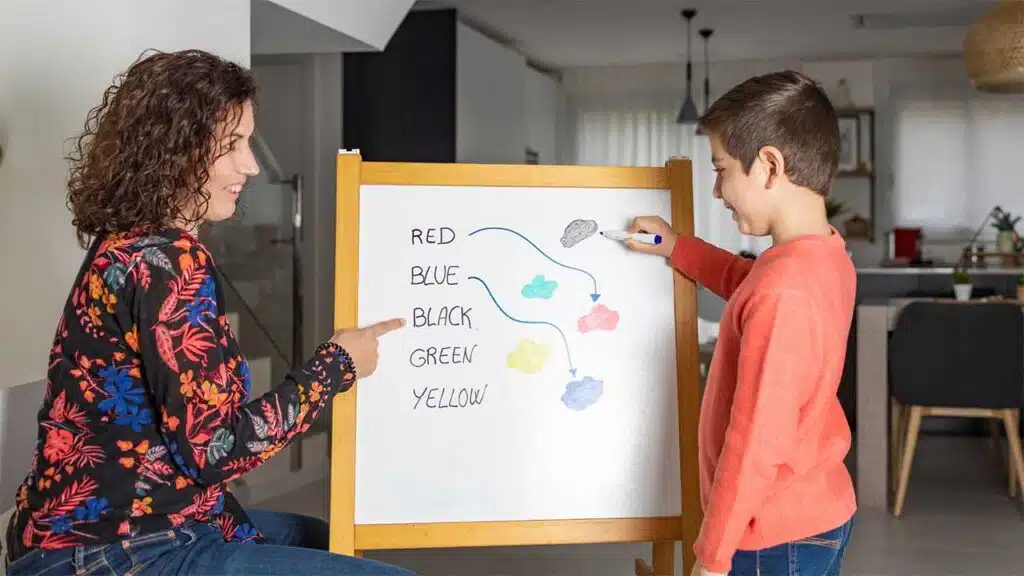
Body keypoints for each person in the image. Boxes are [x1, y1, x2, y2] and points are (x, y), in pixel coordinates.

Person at [3, 49, 415, 576]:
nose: (251, 165)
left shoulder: (130, 243)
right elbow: (214, 451)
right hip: (113, 548)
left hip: (105, 528)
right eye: (231, 144)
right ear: (175, 150)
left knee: (327, 539)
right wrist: (337, 365)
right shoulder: (167, 260)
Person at [624, 71, 856, 576]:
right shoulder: (819, 257)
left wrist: (712, 557)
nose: (716, 190)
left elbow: (756, 441)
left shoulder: (784, 291)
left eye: (722, 169)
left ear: (769, 166)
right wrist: (674, 245)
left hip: (771, 534)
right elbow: (743, 280)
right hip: (810, 511)